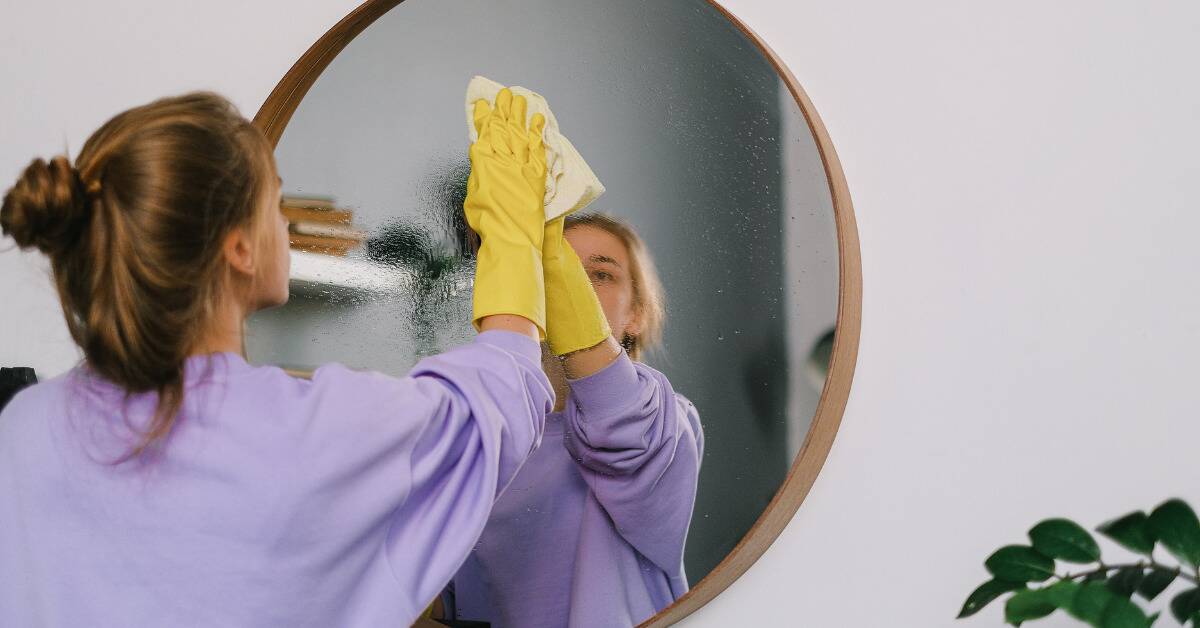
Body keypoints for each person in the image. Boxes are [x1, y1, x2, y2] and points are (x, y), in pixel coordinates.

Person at [0, 89, 597, 627]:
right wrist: (514, 234)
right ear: (238, 247)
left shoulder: (23, 430)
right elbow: (491, 412)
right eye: (275, 204)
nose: (284, 224)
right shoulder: (314, 430)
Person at [442, 212, 704, 627]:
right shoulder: (479, 432)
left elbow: (620, 429)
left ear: (635, 313)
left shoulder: (664, 421)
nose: (575, 286)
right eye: (554, 268)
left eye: (600, 275)